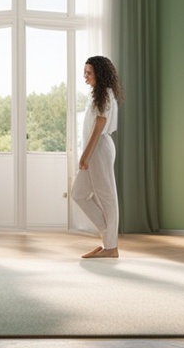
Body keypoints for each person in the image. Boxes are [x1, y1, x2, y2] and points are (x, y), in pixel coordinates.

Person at [72, 55, 124, 258]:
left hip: (99, 149)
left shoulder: (106, 94)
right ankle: (107, 235)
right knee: (78, 194)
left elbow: (99, 125)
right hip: (95, 149)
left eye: (89, 72)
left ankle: (111, 247)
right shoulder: (97, 94)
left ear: (99, 73)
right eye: (84, 72)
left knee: (107, 196)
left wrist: (85, 154)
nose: (85, 76)